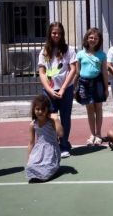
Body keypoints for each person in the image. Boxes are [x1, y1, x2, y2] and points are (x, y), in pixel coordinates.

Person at [38, 22, 77, 158]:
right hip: (49, 91)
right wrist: (49, 90)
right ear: (50, 34)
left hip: (66, 90)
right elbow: (42, 73)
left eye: (59, 33)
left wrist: (63, 89)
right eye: (54, 33)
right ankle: (53, 145)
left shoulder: (69, 50)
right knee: (51, 118)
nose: (56, 35)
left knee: (65, 118)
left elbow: (73, 70)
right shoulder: (44, 51)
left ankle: (64, 145)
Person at [75, 27, 109, 146]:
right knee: (89, 109)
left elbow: (104, 72)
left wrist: (106, 88)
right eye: (91, 37)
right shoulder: (80, 54)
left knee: (98, 108)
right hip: (84, 83)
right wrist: (74, 88)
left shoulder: (102, 55)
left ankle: (98, 134)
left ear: (99, 40)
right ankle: (92, 134)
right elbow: (77, 72)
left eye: (95, 38)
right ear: (86, 39)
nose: (93, 40)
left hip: (98, 82)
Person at [26, 94, 63, 182]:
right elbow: (31, 143)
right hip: (38, 151)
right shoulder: (33, 124)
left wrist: (56, 119)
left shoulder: (51, 122)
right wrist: (29, 159)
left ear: (47, 110)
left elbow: (61, 134)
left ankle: (52, 168)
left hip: (51, 151)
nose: (40, 112)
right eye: (37, 109)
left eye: (43, 109)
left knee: (46, 171)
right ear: (34, 109)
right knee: (30, 167)